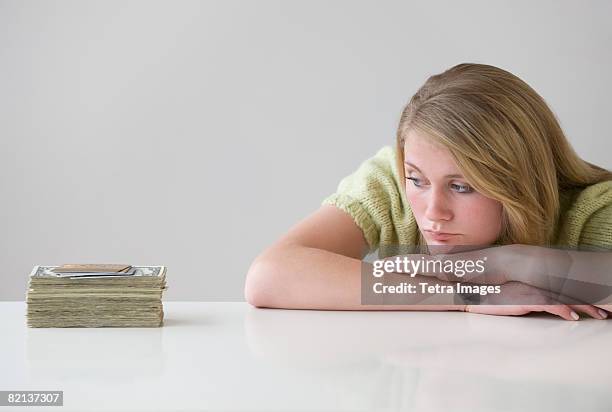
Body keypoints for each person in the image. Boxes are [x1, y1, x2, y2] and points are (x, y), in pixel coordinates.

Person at [244, 63, 612, 320]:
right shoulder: (391, 181)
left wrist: (510, 263)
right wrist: (470, 294)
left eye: (462, 186)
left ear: (520, 181)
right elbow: (270, 276)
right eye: (417, 180)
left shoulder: (590, 209)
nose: (434, 211)